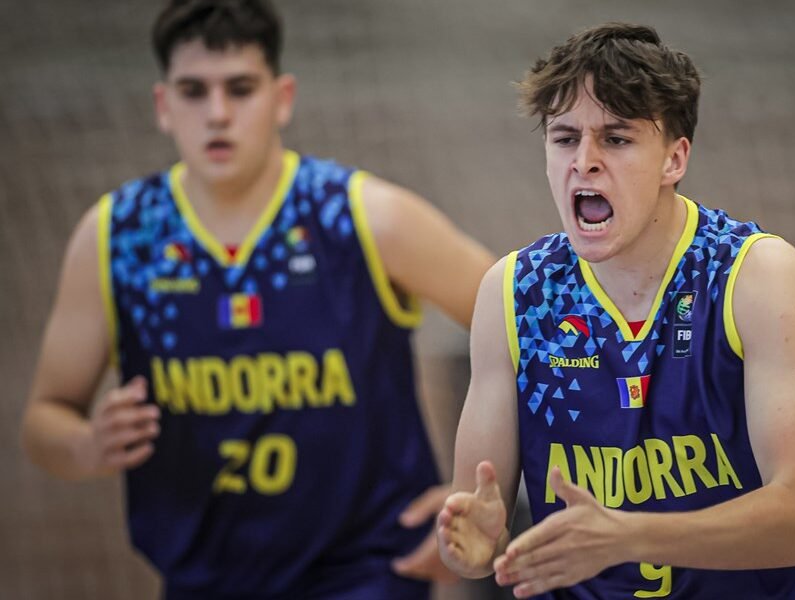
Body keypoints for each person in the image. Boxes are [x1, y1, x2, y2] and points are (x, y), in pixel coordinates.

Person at [19, 1, 494, 598]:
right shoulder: (117, 237)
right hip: (201, 577)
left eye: (239, 89)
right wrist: (85, 446)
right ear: (164, 106)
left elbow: (529, 336)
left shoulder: (362, 216)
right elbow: (43, 419)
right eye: (194, 91)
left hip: (364, 572)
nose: (217, 114)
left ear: (282, 97)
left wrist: (479, 490)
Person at [437, 22, 795, 598]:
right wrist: (472, 550)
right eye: (564, 138)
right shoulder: (512, 293)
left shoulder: (759, 278)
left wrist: (627, 537)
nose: (585, 161)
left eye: (617, 139)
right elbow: (474, 541)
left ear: (674, 159)